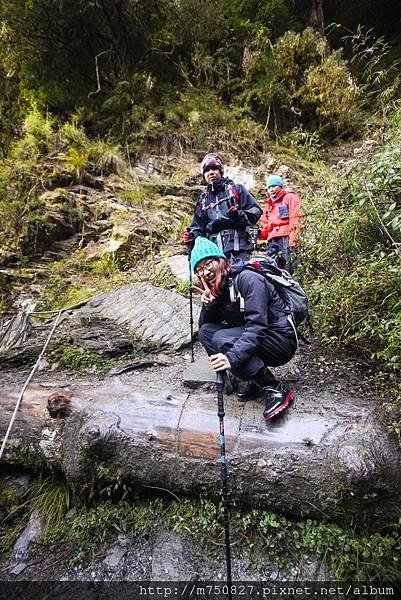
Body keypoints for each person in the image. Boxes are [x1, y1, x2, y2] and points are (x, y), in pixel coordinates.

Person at [191, 236, 297, 420]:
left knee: (220, 339)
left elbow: (257, 326)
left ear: (221, 261)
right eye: (199, 269)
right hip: (261, 338)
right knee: (207, 333)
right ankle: (255, 379)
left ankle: (274, 388)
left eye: (208, 264)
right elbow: (206, 330)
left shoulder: (248, 279)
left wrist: (231, 358)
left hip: (280, 340)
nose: (205, 271)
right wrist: (209, 305)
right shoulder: (221, 287)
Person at [182, 153, 262, 263]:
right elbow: (198, 227)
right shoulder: (203, 200)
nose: (211, 172)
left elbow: (255, 211)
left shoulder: (236, 189)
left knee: (243, 278)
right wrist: (191, 237)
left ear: (221, 171)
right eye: (207, 170)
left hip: (239, 249)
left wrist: (238, 215)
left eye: (214, 168)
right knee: (221, 280)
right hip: (214, 254)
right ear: (204, 175)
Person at [258, 175, 302, 273]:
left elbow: (295, 218)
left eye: (274, 186)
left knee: (290, 267)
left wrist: (293, 238)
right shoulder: (268, 204)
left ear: (280, 186)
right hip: (272, 240)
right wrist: (259, 234)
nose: (271, 190)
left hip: (286, 237)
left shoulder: (289, 197)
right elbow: (265, 226)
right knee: (273, 268)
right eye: (269, 187)